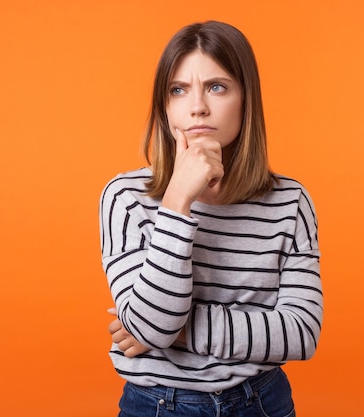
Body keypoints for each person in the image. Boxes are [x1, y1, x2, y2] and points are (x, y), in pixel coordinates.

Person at [99, 20, 322, 417]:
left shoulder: (291, 201)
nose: (197, 105)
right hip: (156, 405)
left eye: (216, 87)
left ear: (245, 99)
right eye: (178, 90)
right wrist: (177, 200)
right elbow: (151, 329)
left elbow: (301, 333)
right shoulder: (125, 197)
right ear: (164, 107)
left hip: (261, 402)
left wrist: (179, 330)